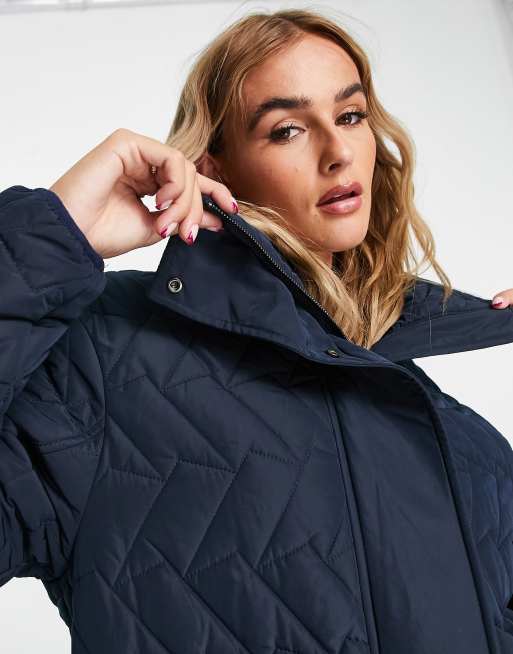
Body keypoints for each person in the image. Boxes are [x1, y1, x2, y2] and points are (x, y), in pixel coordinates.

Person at [1, 7, 512, 654]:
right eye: (287, 129)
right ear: (213, 169)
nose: (337, 152)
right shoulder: (107, 355)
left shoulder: (463, 442)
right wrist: (49, 240)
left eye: (350, 115)